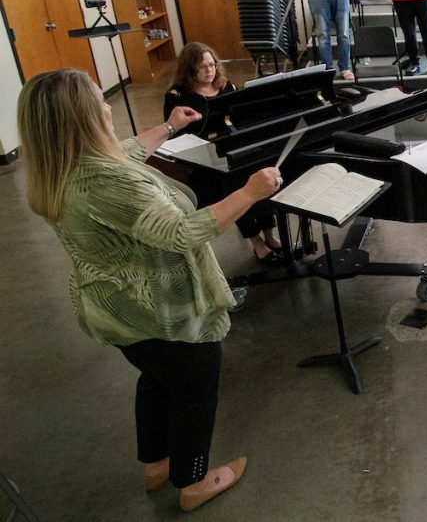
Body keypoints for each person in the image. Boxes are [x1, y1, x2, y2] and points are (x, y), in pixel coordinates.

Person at [17, 68, 282, 512]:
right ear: (82, 118)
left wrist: (169, 127)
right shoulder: (106, 184)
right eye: (98, 101)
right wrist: (250, 193)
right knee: (196, 388)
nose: (107, 107)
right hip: (164, 309)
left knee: (158, 380)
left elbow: (123, 153)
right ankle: (191, 482)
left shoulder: (62, 168)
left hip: (119, 311)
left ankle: (155, 464)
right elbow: (182, 232)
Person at [164, 42, 283, 263]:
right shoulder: (177, 96)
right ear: (190, 69)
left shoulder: (227, 86)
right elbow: (174, 134)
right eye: (203, 67)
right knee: (235, 186)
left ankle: (270, 233)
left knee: (261, 173)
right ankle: (256, 241)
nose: (210, 71)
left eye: (212, 65)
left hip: (237, 149)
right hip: (206, 162)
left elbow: (244, 117)